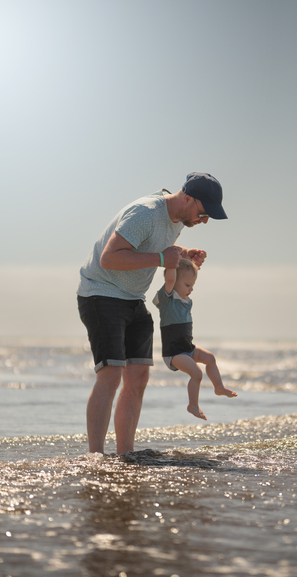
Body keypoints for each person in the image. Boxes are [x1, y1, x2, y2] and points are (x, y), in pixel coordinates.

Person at [77, 172, 228, 455]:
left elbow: (156, 245)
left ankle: (126, 456)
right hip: (101, 292)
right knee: (110, 375)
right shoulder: (146, 213)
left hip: (134, 298)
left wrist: (184, 254)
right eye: (204, 212)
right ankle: (95, 458)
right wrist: (160, 260)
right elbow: (108, 258)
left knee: (138, 378)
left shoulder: (176, 219)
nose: (204, 220)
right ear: (187, 198)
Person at [153, 258, 237, 421]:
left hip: (188, 348)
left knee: (210, 358)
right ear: (174, 282)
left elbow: (182, 274)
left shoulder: (186, 300)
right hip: (174, 353)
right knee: (197, 373)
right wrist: (172, 263)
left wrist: (191, 263)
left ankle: (219, 387)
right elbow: (170, 278)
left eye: (192, 285)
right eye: (187, 285)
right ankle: (192, 405)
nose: (191, 289)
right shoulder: (167, 299)